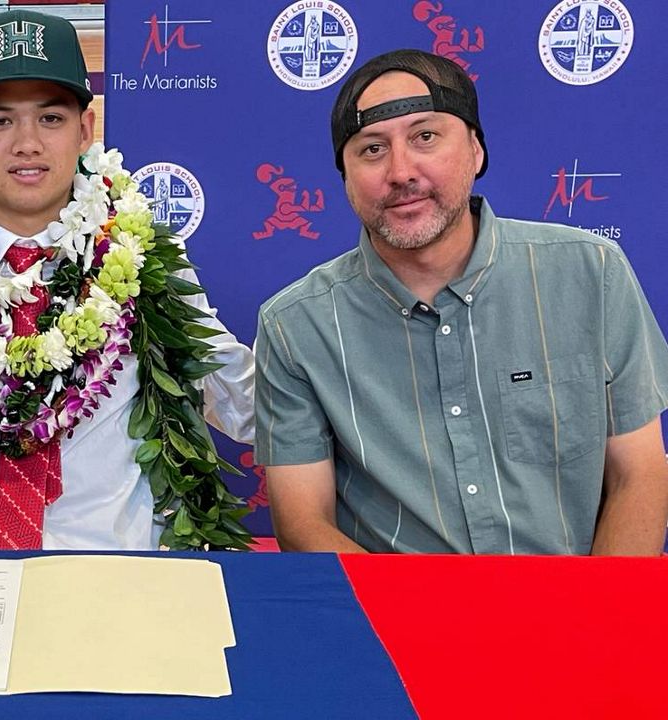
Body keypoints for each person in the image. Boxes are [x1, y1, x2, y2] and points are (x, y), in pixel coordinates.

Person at [0, 9, 255, 551]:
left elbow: (238, 393)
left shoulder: (143, 261)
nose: (27, 143)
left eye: (51, 118)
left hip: (108, 572)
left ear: (85, 131)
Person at [255, 49, 668, 555]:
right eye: (371, 149)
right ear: (344, 177)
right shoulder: (295, 325)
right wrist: (407, 628)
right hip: (394, 622)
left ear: (475, 150)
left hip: (576, 613)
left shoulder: (592, 272)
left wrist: (592, 623)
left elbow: (639, 475)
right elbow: (303, 522)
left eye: (425, 136)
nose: (401, 171)